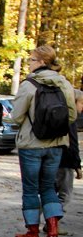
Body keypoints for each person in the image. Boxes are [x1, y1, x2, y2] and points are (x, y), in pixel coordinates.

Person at [10, 46, 77, 237]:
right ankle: (53, 229)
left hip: (31, 145)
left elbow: (16, 116)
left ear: (40, 62)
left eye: (31, 60)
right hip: (56, 144)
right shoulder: (64, 83)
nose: (29, 63)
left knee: (30, 188)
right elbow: (71, 115)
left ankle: (32, 231)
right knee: (48, 187)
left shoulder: (29, 84)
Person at [54, 89, 83, 217]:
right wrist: (77, 165)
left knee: (49, 192)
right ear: (75, 102)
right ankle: (52, 222)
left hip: (53, 159)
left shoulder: (58, 114)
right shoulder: (71, 119)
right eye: (82, 103)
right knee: (65, 194)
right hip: (65, 162)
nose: (82, 107)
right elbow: (73, 144)